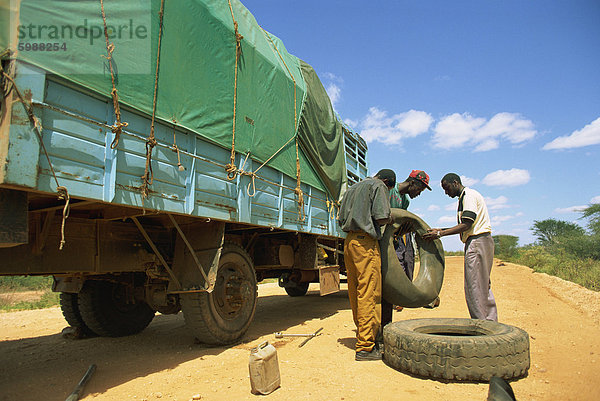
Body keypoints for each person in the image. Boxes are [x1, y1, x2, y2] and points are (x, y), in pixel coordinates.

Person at [423, 173, 498, 321]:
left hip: (477, 242)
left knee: (474, 286)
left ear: (455, 183)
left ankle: (481, 324)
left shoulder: (468, 196)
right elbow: (465, 224)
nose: (446, 192)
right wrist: (440, 229)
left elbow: (467, 224)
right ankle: (490, 323)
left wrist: (440, 233)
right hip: (483, 241)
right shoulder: (468, 195)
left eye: (447, 188)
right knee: (483, 285)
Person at [338, 169, 395, 361]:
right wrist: (391, 218)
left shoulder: (352, 188)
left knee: (356, 292)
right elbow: (381, 216)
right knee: (369, 293)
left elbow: (340, 219)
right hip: (365, 243)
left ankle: (363, 336)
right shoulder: (378, 186)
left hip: (349, 242)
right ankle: (366, 347)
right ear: (387, 182)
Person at [382, 170, 431, 325]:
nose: (419, 194)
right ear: (412, 183)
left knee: (389, 287)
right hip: (379, 242)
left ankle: (386, 325)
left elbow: (400, 224)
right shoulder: (389, 189)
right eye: (419, 189)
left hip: (392, 243)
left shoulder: (405, 201)